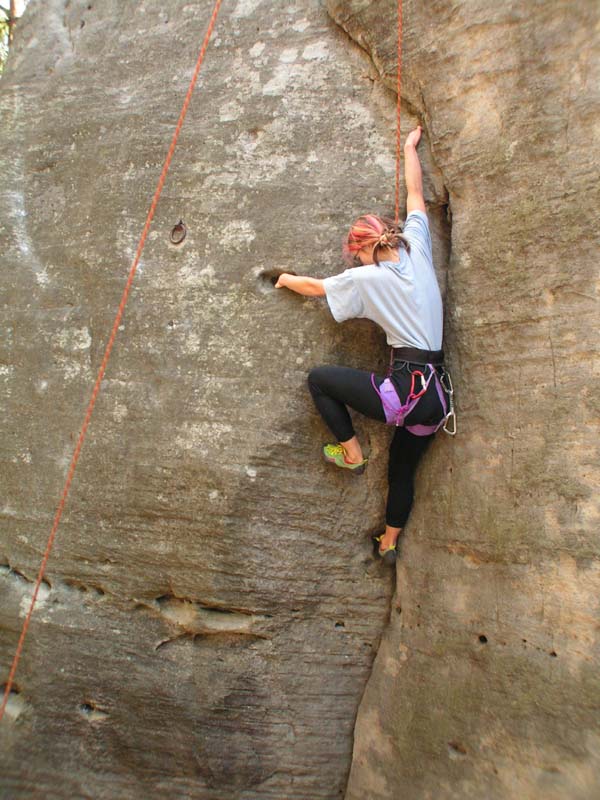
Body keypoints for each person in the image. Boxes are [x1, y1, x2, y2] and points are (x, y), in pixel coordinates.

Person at [275, 125, 451, 564]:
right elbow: (414, 196)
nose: (353, 262)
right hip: (436, 399)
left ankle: (351, 453)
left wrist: (281, 278)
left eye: (354, 254)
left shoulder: (368, 276)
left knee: (320, 380)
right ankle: (389, 542)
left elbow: (315, 288)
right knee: (402, 469)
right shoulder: (417, 247)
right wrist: (410, 149)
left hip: (404, 393)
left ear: (363, 248)